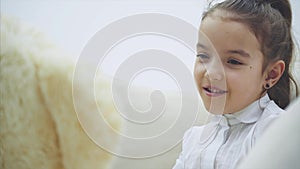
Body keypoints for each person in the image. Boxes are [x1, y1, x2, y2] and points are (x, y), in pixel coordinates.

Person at [172, 0, 299, 168]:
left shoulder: (276, 134)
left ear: (271, 74)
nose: (211, 73)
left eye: (233, 61)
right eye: (203, 56)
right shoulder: (194, 139)